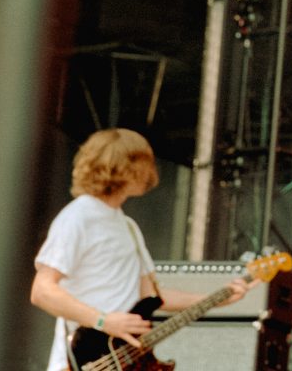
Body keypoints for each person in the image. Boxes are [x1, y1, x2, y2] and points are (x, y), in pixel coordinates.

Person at [30, 128, 252, 371]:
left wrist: (217, 298)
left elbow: (152, 297)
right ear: (124, 167)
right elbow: (42, 291)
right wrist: (104, 321)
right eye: (144, 162)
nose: (150, 171)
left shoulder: (128, 227)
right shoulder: (77, 217)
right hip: (84, 361)